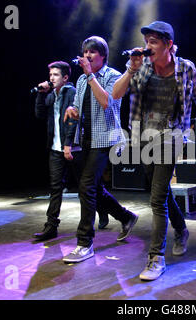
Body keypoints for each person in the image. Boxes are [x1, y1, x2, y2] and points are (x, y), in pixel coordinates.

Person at [112, 21, 196, 280]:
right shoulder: (142, 67)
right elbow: (115, 95)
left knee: (156, 199)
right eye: (146, 41)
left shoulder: (186, 68)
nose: (148, 46)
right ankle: (181, 229)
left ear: (169, 45)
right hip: (144, 136)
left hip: (171, 137)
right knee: (160, 192)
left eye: (154, 42)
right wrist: (130, 69)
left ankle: (155, 258)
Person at [62, 36, 138, 263]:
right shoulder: (83, 80)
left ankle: (84, 243)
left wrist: (90, 75)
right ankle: (126, 217)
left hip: (105, 139)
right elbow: (78, 103)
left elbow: (107, 102)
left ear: (102, 56)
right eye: (85, 51)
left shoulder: (113, 76)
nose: (87, 55)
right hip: (85, 138)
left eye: (92, 52)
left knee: (86, 187)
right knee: (92, 186)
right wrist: (72, 109)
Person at [33, 61, 80, 241]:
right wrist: (40, 93)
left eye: (56, 75)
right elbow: (40, 114)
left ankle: (112, 213)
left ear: (65, 78)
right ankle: (51, 226)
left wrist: (68, 144)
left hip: (73, 148)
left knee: (88, 188)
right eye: (50, 75)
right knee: (56, 188)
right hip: (55, 149)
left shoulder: (71, 93)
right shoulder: (53, 95)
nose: (51, 78)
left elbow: (72, 121)